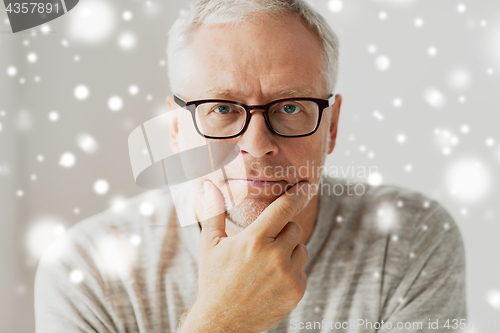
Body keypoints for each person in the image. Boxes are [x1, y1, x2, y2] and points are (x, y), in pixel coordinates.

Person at [34, 0, 467, 332]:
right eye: (221, 108)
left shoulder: (410, 239)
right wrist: (221, 320)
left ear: (331, 127)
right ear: (175, 130)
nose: (257, 146)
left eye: (292, 107)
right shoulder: (85, 269)